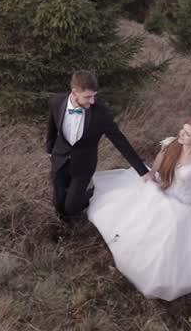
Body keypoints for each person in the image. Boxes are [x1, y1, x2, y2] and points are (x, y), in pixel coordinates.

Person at [86, 118, 191, 300]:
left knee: (176, 220)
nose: (181, 133)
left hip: (184, 197)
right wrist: (152, 172)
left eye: (187, 133)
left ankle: (166, 271)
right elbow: (160, 158)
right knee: (146, 202)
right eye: (183, 129)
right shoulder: (172, 143)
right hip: (162, 184)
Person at [45, 70, 151, 225]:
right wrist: (50, 151)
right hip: (59, 159)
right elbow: (52, 127)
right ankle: (65, 229)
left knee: (71, 206)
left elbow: (120, 141)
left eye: (94, 95)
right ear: (74, 92)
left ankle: (92, 196)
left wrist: (143, 171)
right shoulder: (56, 101)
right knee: (58, 203)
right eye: (88, 97)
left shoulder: (101, 113)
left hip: (83, 165)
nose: (92, 101)